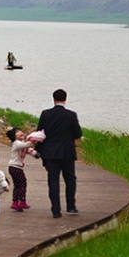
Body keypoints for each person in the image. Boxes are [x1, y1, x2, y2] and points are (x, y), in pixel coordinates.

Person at [36, 89, 83, 218]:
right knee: (70, 179)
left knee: (53, 181)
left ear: (53, 99)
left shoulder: (46, 114)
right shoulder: (71, 115)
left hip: (50, 152)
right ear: (65, 99)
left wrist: (40, 152)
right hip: (67, 151)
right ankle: (71, 206)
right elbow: (78, 133)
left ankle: (56, 210)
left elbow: (40, 133)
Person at [6, 128, 39, 211]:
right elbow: (27, 145)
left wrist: (36, 154)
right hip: (15, 167)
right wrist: (35, 139)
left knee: (17, 185)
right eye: (17, 132)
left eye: (20, 131)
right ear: (14, 136)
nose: (20, 132)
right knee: (22, 184)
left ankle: (15, 202)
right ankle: (22, 201)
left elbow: (31, 151)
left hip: (15, 168)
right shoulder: (16, 143)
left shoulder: (22, 144)